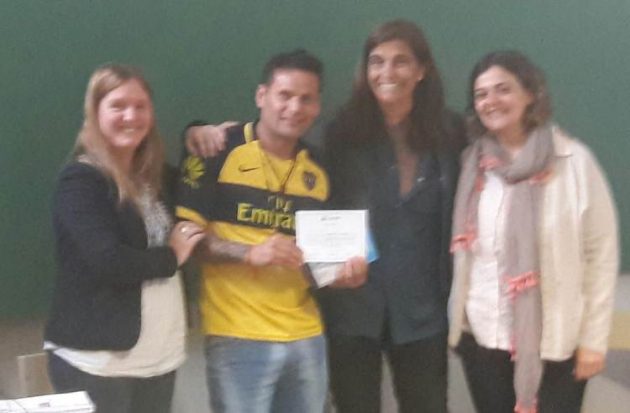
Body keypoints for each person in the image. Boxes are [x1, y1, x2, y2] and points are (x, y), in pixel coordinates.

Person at [185, 21, 464, 413]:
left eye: (401, 61)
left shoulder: (452, 134)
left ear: (422, 70)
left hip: (423, 312)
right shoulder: (341, 133)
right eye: (377, 61)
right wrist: (197, 130)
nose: (387, 72)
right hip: (350, 308)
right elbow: (290, 172)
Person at [176, 50, 367, 413]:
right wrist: (250, 253)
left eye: (306, 99)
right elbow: (187, 239)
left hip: (307, 334)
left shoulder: (321, 169)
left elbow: (316, 263)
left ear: (317, 106)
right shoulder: (215, 149)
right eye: (285, 95)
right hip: (237, 334)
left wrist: (341, 275)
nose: (294, 108)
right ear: (262, 96)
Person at [448, 50, 619, 413]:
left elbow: (601, 256)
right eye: (481, 94)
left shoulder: (573, 161)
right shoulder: (471, 165)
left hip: (556, 341)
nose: (491, 101)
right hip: (484, 335)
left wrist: (594, 340)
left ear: (530, 94)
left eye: (503, 89)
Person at [44, 64, 205, 413]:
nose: (131, 116)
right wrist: (172, 256)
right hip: (98, 361)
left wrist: (197, 130)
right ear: (95, 112)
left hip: (159, 356)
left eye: (140, 106)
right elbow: (110, 261)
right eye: (117, 106)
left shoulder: (157, 177)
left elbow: (202, 185)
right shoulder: (81, 180)